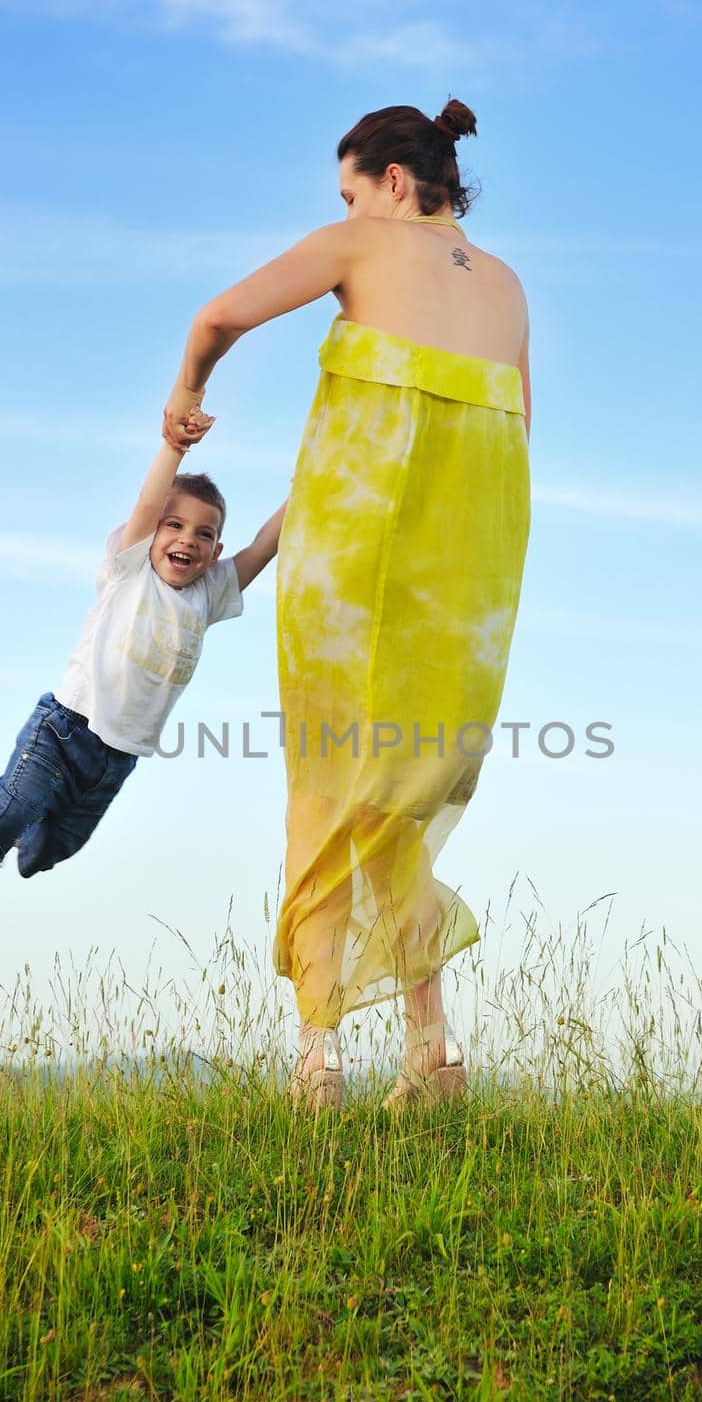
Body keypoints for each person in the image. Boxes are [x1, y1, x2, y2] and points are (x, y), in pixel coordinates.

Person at [164, 99, 531, 1114]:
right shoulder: (508, 288)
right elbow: (509, 438)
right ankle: (432, 1051)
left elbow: (217, 318)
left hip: (352, 564)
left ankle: (319, 1058)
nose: (346, 208)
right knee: (398, 796)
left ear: (395, 184)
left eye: (350, 190)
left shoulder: (359, 245)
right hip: (468, 576)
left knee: (327, 785)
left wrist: (183, 396)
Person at [0, 425, 286, 960]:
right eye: (174, 525)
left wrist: (306, 483)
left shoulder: (209, 595)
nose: (187, 539)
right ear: (150, 532)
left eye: (204, 534)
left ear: (215, 552)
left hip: (118, 757)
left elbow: (263, 547)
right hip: (66, 725)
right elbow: (149, 502)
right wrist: (174, 448)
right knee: (16, 805)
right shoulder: (131, 568)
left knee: (50, 850)